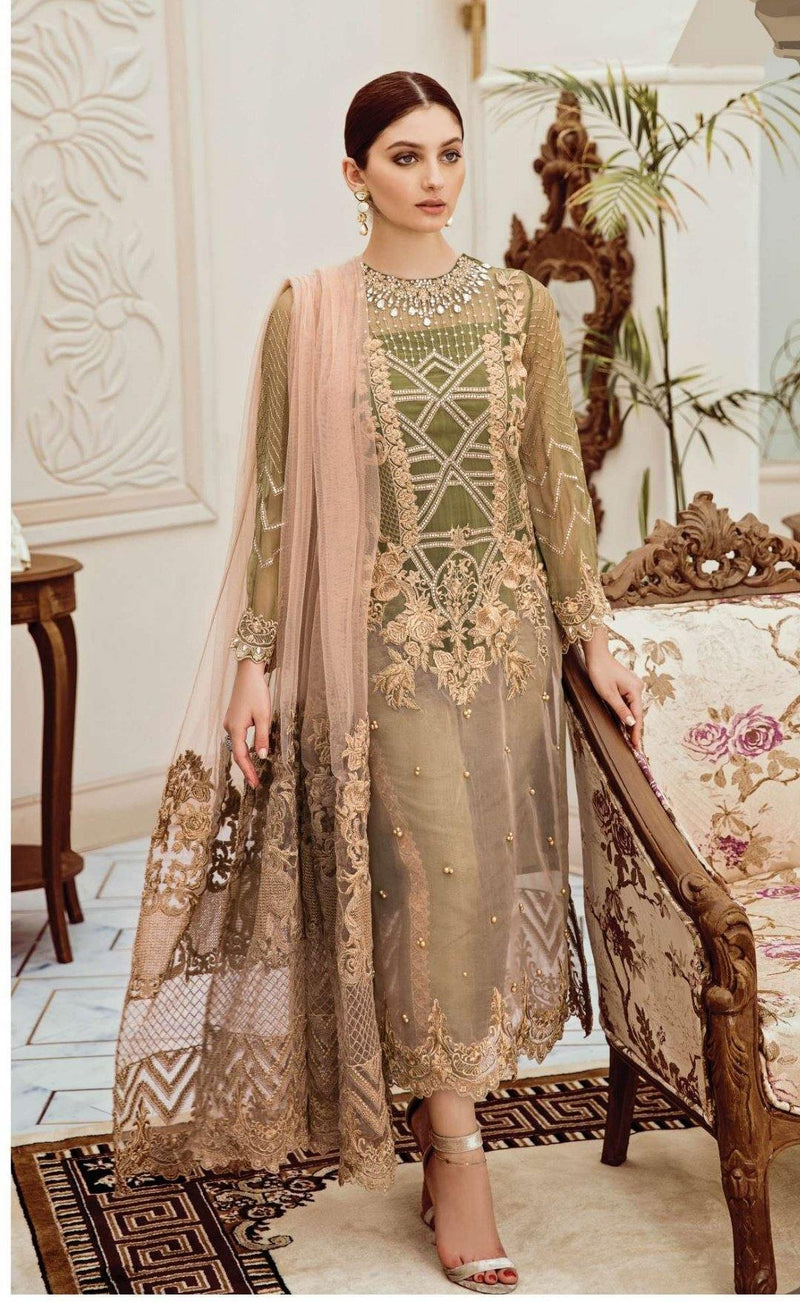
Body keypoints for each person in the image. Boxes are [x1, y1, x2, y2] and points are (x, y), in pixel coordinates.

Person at [113, 70, 644, 1296]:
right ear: (354, 175)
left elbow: (553, 481)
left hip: (502, 645)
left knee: (467, 889)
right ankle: (456, 1152)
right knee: (432, 877)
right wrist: (255, 663)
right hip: (380, 651)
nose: (433, 177)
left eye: (448, 152)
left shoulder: (517, 310)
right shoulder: (308, 313)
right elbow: (275, 502)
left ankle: (431, 1102)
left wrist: (592, 635)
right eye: (404, 157)